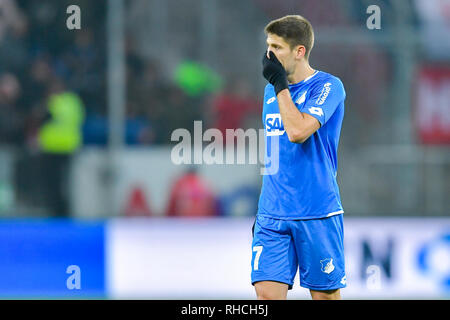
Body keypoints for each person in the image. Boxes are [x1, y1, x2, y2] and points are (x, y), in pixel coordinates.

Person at [251, 15, 346, 300]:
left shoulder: (328, 87)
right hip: (273, 214)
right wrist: (264, 208)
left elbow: (298, 132)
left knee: (325, 297)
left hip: (316, 211)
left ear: (299, 51)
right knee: (266, 296)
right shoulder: (271, 91)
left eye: (277, 47)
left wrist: (280, 84)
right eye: (268, 46)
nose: (269, 55)